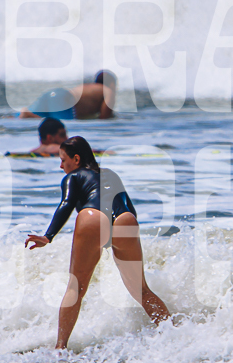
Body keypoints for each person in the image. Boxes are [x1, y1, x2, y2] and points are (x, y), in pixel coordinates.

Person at [25, 136, 170, 349]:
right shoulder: (110, 174)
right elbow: (130, 208)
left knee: (76, 288)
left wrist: (49, 235)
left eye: (63, 160)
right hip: (125, 219)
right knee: (142, 290)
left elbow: (66, 203)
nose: (61, 166)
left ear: (76, 159)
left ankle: (60, 350)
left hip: (93, 218)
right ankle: (174, 336)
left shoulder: (73, 176)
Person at [19, 71, 117, 120]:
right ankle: (30, 115)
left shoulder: (91, 87)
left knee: (19, 117)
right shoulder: (108, 91)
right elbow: (104, 118)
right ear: (112, 83)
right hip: (64, 100)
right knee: (61, 127)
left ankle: (28, 114)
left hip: (55, 94)